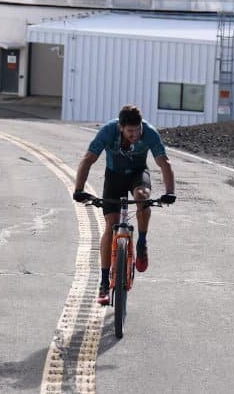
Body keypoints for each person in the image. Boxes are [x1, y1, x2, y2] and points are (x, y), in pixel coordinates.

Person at [73, 104, 175, 305]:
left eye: (138, 130)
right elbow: (88, 159)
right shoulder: (108, 131)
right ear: (121, 127)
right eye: (130, 131)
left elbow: (165, 163)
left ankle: (142, 242)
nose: (135, 134)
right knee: (110, 227)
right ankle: (103, 282)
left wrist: (170, 192)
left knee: (142, 196)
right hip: (114, 178)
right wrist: (79, 189)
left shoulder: (150, 134)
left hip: (138, 174)